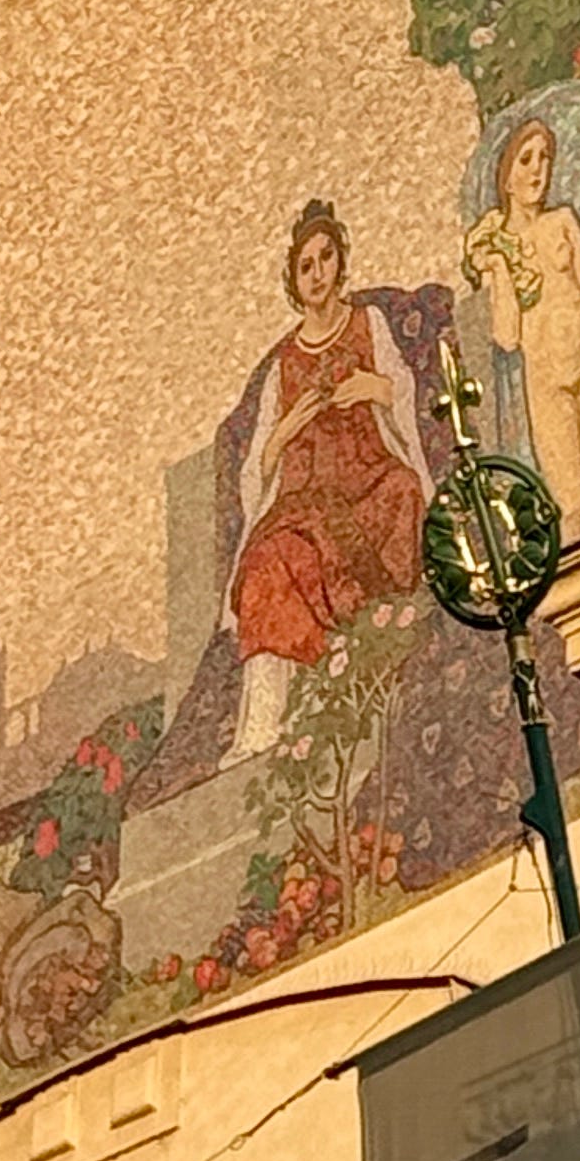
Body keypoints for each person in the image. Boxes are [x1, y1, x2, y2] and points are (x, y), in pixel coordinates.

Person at [220, 204, 431, 758]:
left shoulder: (369, 324)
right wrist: (289, 425)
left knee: (403, 493)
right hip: (303, 500)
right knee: (269, 561)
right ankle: (267, 723)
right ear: (293, 280)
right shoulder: (283, 365)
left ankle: (367, 657)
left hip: (368, 479)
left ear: (341, 263)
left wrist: (371, 388)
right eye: (305, 266)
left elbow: (403, 393)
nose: (317, 274)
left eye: (325, 259)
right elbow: (259, 464)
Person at [463, 117, 580, 535]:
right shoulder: (495, 246)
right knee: (569, 501)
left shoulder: (563, 221)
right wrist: (498, 268)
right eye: (526, 160)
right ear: (506, 178)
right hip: (546, 372)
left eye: (545, 158)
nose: (538, 170)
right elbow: (506, 336)